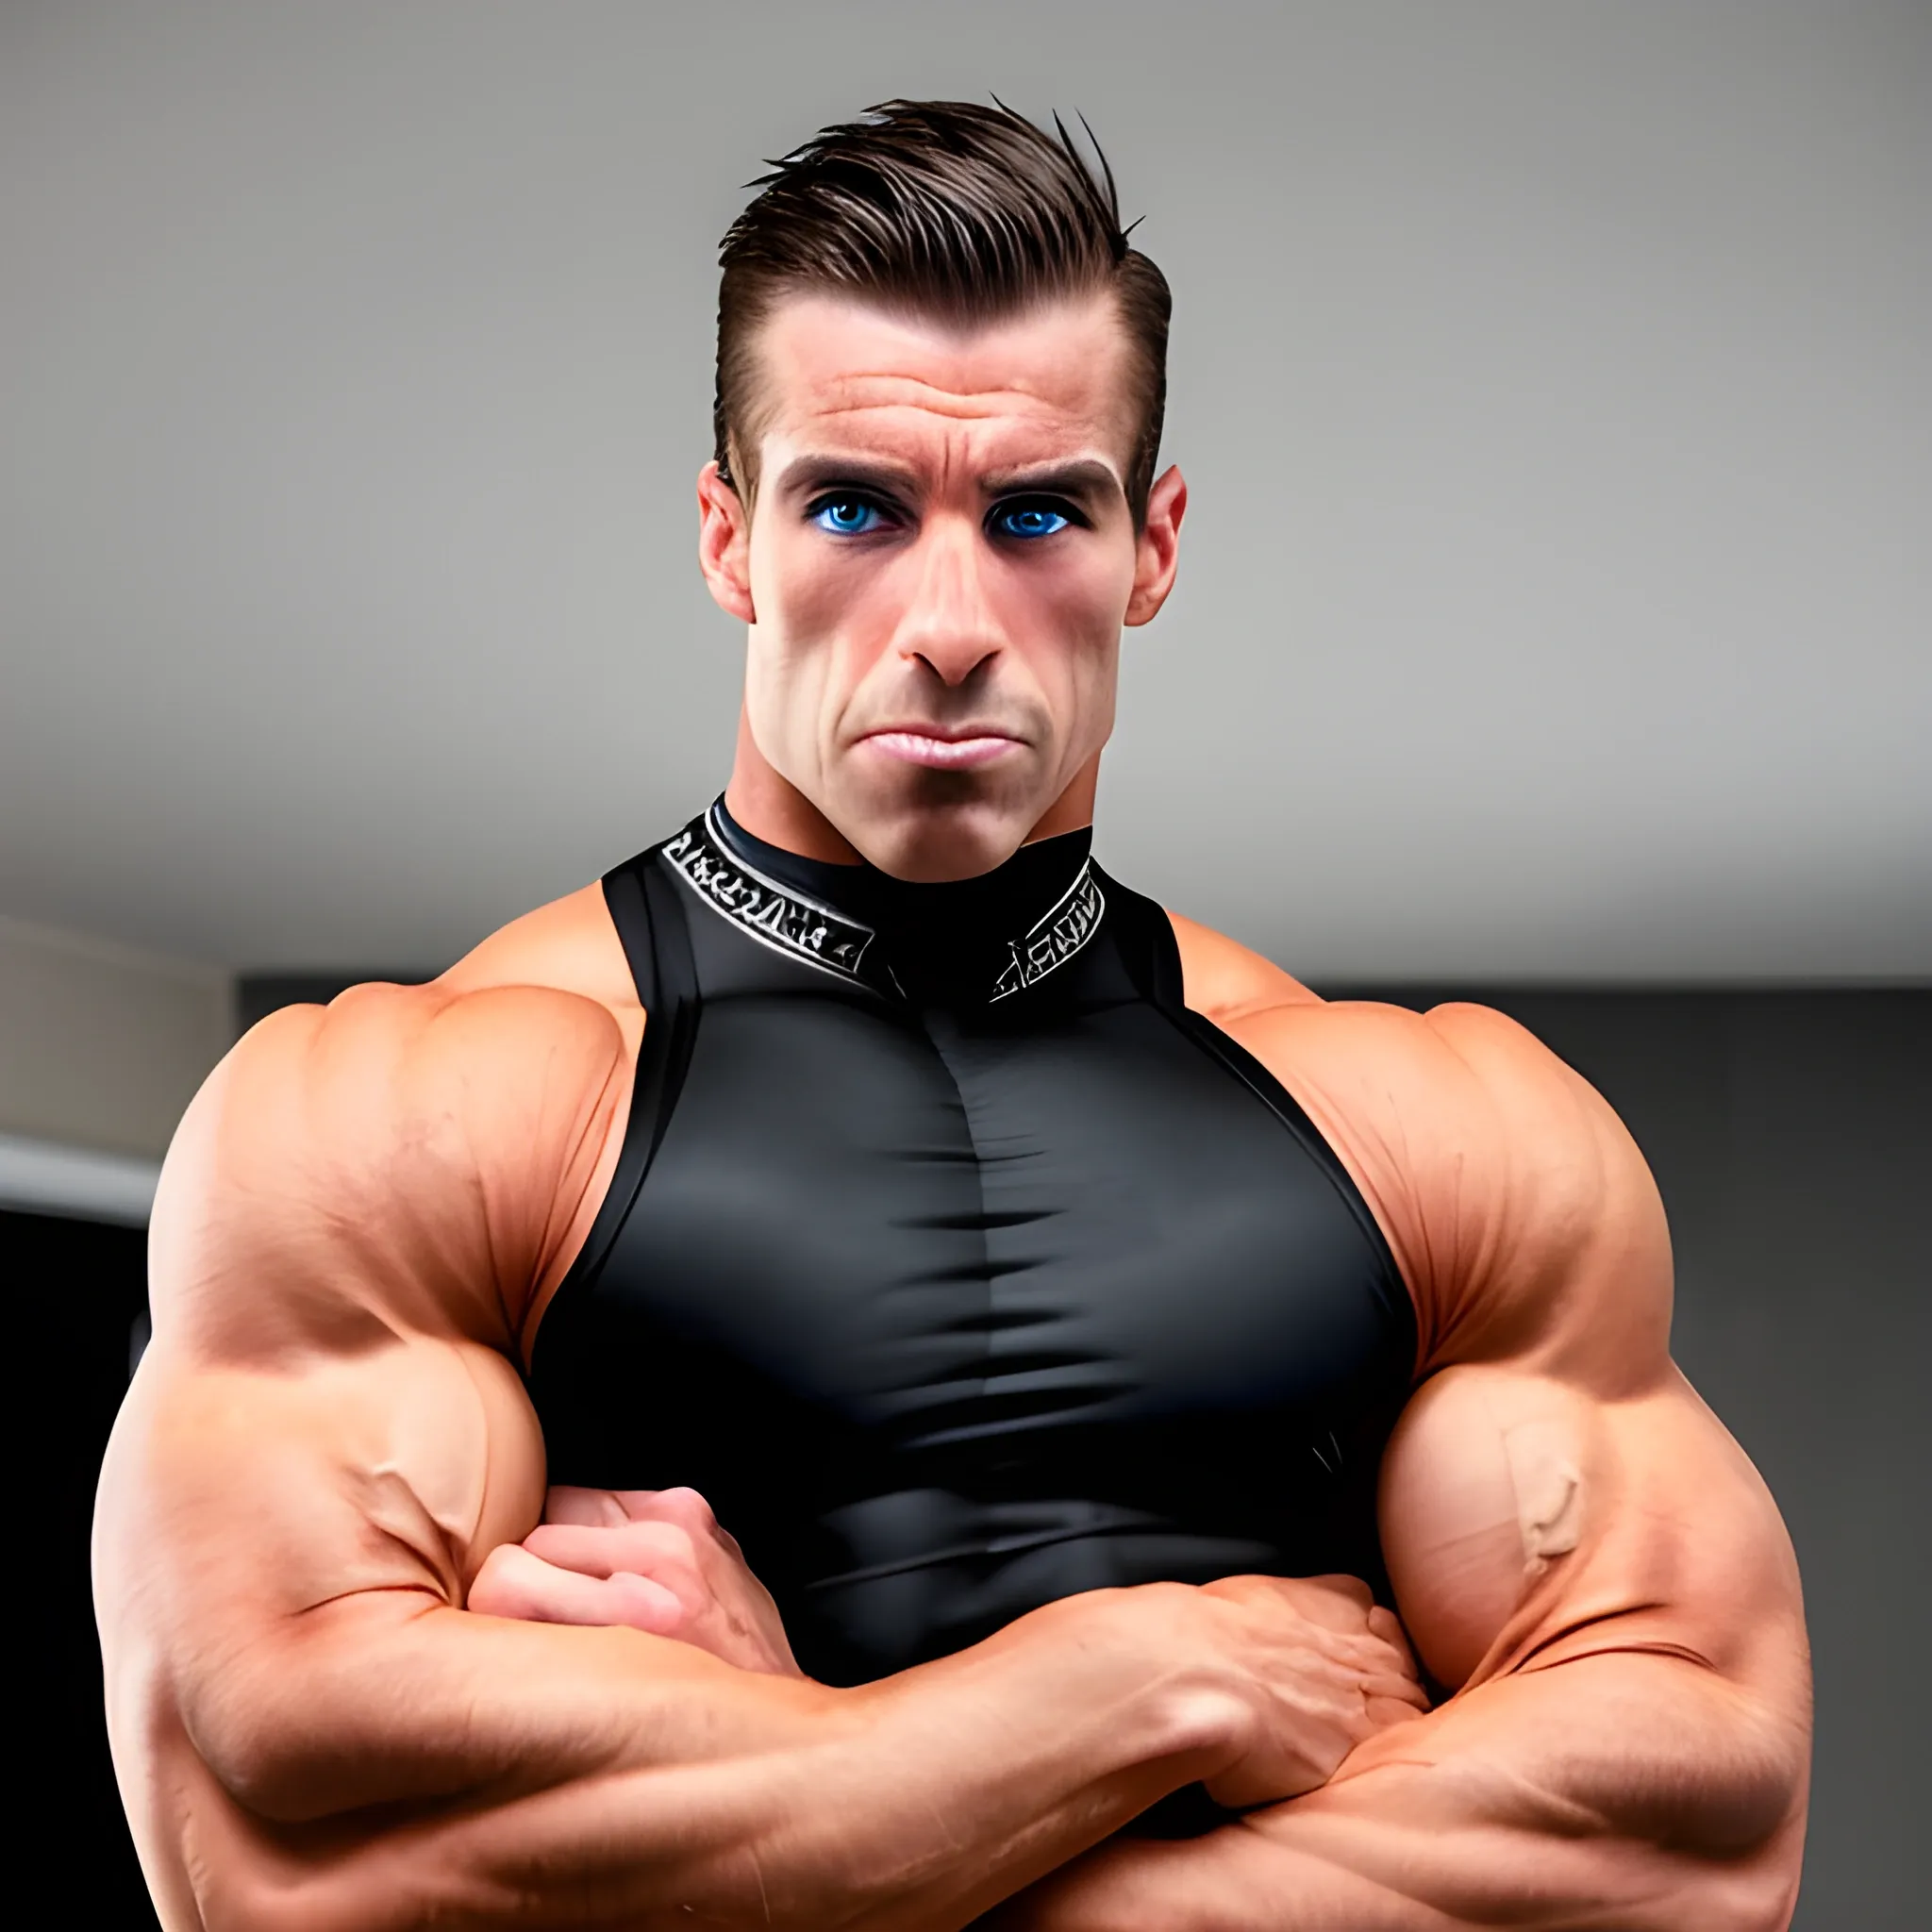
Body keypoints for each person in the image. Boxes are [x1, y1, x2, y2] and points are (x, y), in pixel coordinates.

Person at [94, 101, 1810, 1929]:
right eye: (853, 505)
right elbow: (287, 1871)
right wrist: (1155, 1683)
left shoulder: (1433, 1137)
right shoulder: (409, 1120)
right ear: (727, 539)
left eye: (1034, 516)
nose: (947, 621)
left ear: (1150, 546)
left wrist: (815, 1773)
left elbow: (1679, 1849)